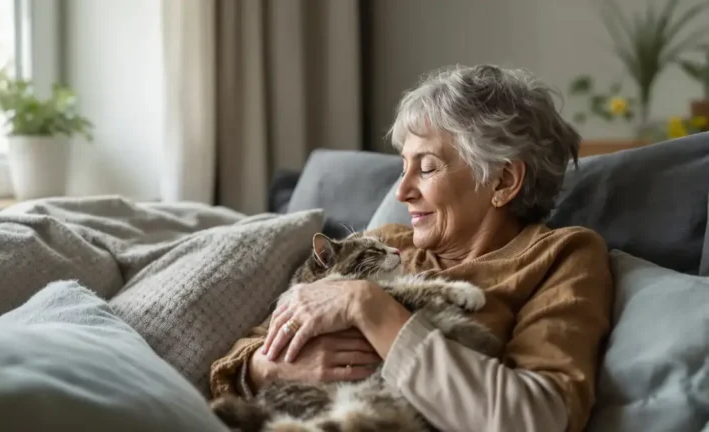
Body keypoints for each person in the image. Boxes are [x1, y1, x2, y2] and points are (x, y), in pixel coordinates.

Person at [210, 64, 613, 432]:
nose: (401, 191)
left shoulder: (561, 256)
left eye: (426, 167)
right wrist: (270, 369)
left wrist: (371, 307)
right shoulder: (385, 241)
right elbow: (244, 354)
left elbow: (536, 418)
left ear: (503, 180)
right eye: (403, 166)